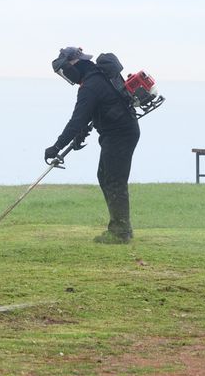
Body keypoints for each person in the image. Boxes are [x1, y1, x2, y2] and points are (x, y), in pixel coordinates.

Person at [45, 46, 140, 243]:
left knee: (114, 180)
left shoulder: (90, 86)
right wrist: (79, 136)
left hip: (119, 135)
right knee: (105, 176)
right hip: (121, 132)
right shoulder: (98, 76)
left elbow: (77, 120)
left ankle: (120, 232)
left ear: (74, 65)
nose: (66, 76)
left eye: (65, 70)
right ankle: (121, 227)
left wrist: (56, 147)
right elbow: (95, 111)